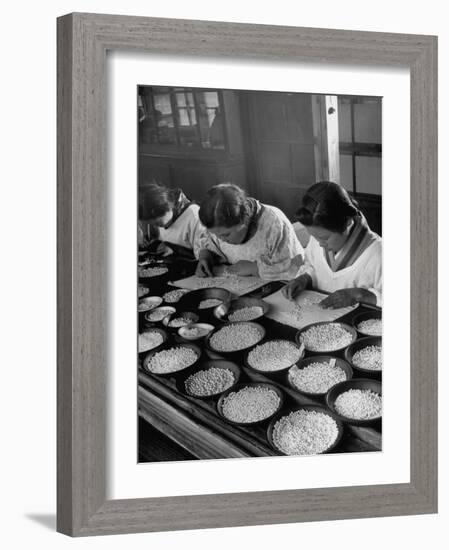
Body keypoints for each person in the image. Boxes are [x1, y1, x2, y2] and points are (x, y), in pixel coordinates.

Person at [282, 181, 382, 307]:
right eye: (314, 236)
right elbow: (311, 265)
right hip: (317, 314)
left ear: (346, 223)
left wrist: (360, 295)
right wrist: (304, 278)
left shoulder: (379, 253)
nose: (319, 244)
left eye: (325, 238)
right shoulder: (319, 237)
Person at [195, 183, 304, 280]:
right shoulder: (216, 222)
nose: (221, 239)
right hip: (234, 282)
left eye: (226, 234)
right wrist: (205, 256)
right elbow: (207, 242)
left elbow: (294, 267)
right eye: (215, 234)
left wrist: (255, 268)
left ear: (244, 220)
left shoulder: (274, 223)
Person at [138, 182, 206, 258]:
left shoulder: (195, 217)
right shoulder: (156, 215)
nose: (153, 226)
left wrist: (174, 250)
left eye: (157, 223)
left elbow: (204, 260)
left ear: (166, 208)